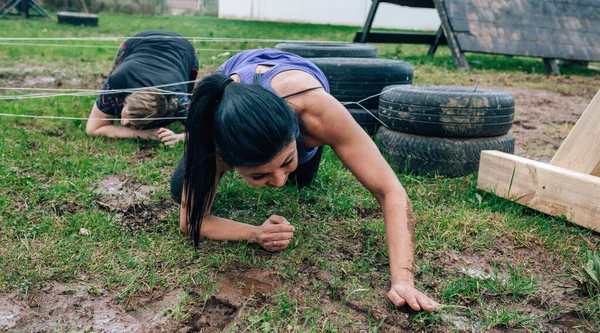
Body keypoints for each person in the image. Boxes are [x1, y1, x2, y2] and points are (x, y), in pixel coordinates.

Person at [172, 48, 439, 312]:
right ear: (227, 159)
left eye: (286, 161)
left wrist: (403, 280)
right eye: (258, 174)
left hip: (297, 99)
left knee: (302, 181)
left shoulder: (318, 114)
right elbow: (190, 221)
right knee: (178, 189)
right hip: (231, 105)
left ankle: (277, 161)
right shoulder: (212, 139)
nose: (278, 182)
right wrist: (255, 233)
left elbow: (390, 190)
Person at [86, 30, 199, 147]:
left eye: (136, 122)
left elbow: (208, 129)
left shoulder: (177, 99)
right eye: (124, 114)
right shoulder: (116, 83)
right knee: (108, 102)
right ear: (125, 101)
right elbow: (93, 128)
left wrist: (178, 137)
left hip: (182, 49)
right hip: (138, 42)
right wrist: (143, 133)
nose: (122, 123)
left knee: (190, 97)